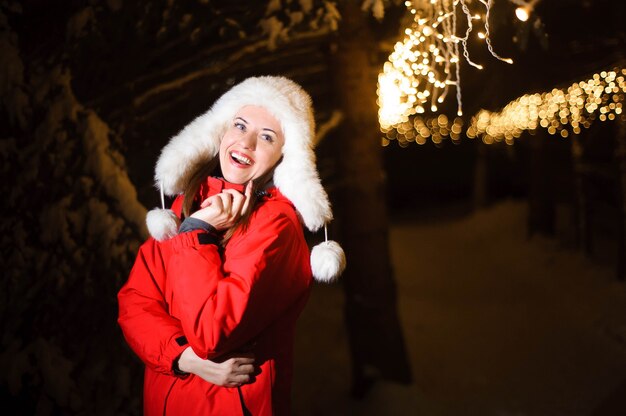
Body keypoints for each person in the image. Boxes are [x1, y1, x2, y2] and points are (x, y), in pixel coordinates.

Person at [117, 76, 346, 415]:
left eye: (267, 136)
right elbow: (135, 303)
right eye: (240, 125)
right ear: (220, 131)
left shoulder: (276, 227)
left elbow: (212, 333)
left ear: (285, 155)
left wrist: (198, 234)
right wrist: (183, 357)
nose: (247, 142)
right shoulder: (186, 205)